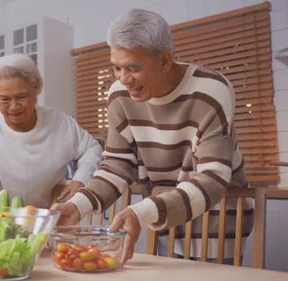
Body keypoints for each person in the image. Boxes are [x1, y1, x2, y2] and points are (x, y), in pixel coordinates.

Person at [51, 8, 252, 267]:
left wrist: (144, 210)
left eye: (133, 68)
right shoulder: (119, 97)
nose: (124, 80)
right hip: (165, 212)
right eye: (116, 68)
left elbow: (212, 178)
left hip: (218, 216)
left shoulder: (211, 90)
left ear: (165, 60)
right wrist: (76, 207)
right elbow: (116, 167)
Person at [0, 53, 103, 209]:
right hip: (4, 220)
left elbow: (93, 149)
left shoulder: (60, 123)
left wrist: (80, 179)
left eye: (21, 97)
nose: (13, 107)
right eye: (4, 99)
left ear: (36, 88)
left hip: (50, 219)